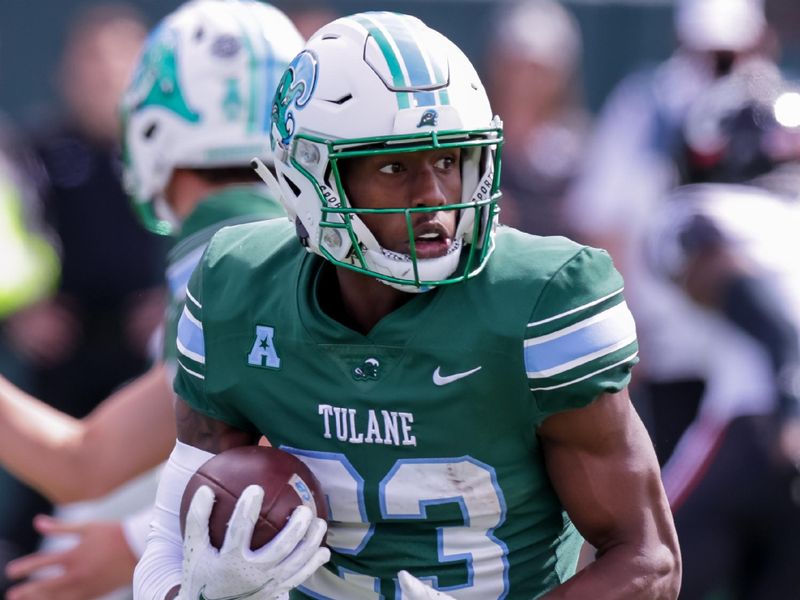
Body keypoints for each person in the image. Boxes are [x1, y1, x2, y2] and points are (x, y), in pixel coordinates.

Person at [134, 12, 681, 600]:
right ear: (308, 179)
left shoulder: (539, 301)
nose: (435, 199)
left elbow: (648, 561)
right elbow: (167, 540)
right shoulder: (238, 286)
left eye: (449, 161)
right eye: (395, 167)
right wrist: (195, 593)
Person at [0, 1, 304, 598]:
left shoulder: (226, 259)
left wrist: (142, 540)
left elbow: (304, 445)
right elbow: (86, 461)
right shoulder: (295, 238)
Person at [565, 0, 775, 463]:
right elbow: (601, 217)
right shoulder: (647, 106)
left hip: (755, 360)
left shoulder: (778, 108)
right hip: (671, 348)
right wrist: (623, 322)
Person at [642, 69, 800, 599]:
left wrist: (791, 389)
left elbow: (734, 283)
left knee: (642, 562)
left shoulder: (712, 211)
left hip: (759, 420)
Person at [484, 0, 589, 237]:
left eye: (537, 69)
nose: (523, 80)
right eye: (514, 65)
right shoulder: (469, 133)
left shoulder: (579, 152)